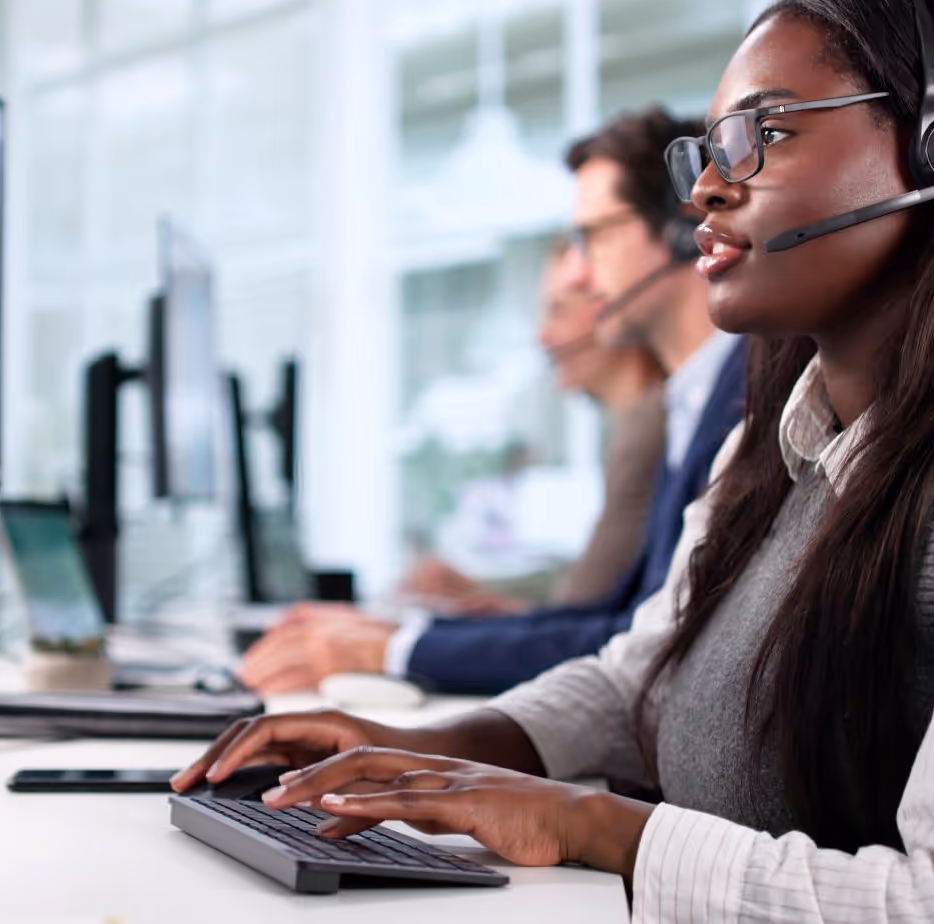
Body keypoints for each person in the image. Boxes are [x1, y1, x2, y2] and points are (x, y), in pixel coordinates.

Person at [178, 0, 934, 922]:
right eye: (712, 147)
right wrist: (427, 748)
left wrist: (599, 826)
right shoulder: (785, 441)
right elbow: (639, 679)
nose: (707, 191)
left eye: (765, 134)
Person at [239, 106, 747, 695]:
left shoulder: (742, 396)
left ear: (686, 231)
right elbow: (620, 619)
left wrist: (395, 648)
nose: (577, 276)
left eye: (594, 237)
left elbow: (641, 646)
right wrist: (401, 636)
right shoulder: (691, 400)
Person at [401, 244, 667, 616]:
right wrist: (477, 588)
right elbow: (591, 577)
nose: (542, 337)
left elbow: (582, 607)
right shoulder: (628, 427)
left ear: (611, 307)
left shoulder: (652, 429)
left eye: (557, 311)